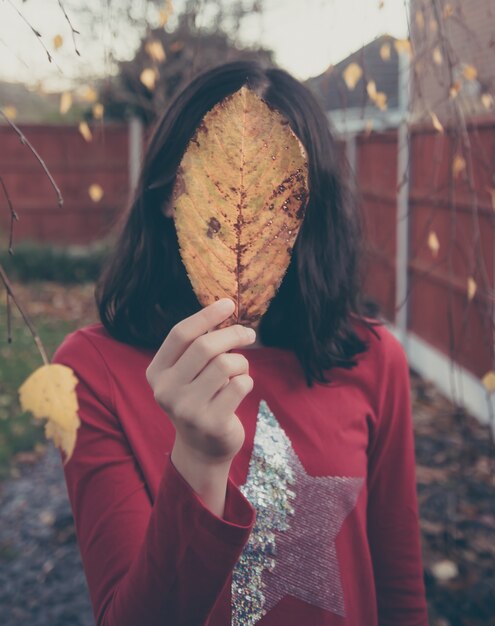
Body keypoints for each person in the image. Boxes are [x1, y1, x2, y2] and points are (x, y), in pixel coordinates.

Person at [52, 60, 429, 626]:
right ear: (165, 194)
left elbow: (399, 589)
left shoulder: (373, 357)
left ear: (309, 206)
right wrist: (199, 462)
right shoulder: (90, 369)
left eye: (279, 196)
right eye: (210, 182)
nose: (245, 209)